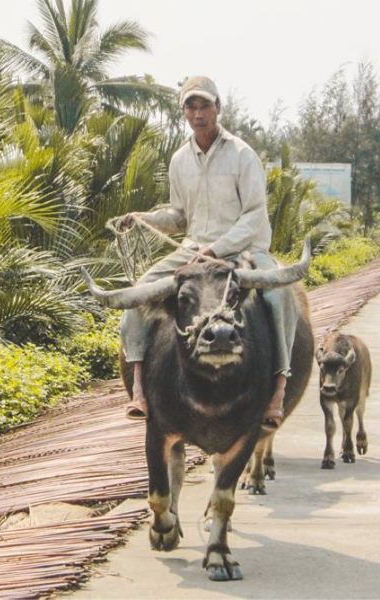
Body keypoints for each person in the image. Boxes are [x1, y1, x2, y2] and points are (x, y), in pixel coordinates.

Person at [114, 75, 299, 430]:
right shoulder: (180, 159)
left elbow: (254, 215)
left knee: (280, 296)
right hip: (194, 250)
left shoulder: (242, 155)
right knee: (137, 294)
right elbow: (179, 216)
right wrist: (144, 218)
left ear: (218, 108)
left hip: (243, 250)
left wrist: (218, 248)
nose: (198, 114)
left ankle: (278, 388)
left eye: (205, 106)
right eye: (191, 107)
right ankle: (138, 388)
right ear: (184, 112)